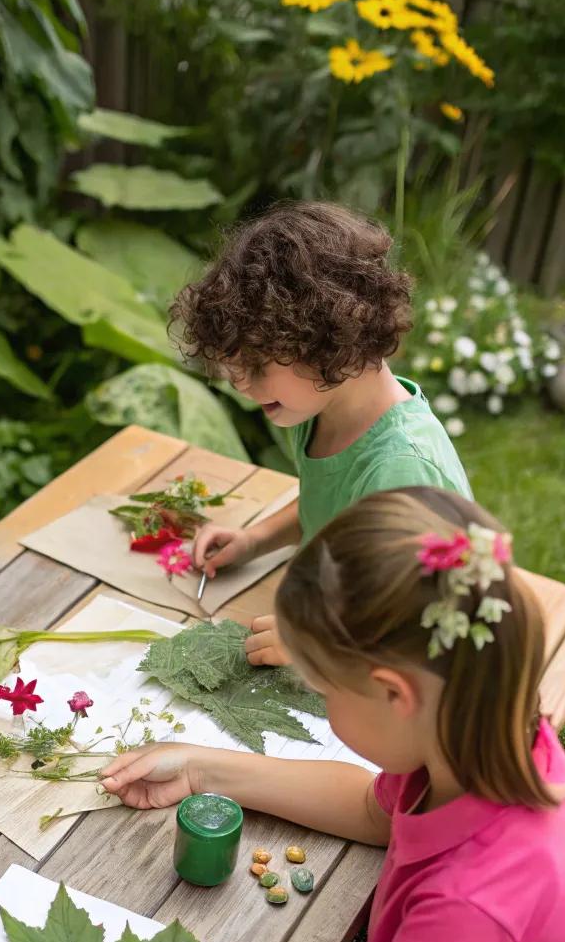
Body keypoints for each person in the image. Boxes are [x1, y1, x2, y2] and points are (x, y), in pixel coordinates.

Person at [40, 489, 565, 942]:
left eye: (323, 689)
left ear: (395, 694)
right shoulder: (478, 736)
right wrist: (207, 767)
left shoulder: (475, 900)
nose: (321, 705)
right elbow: (370, 808)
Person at [173, 200, 471, 666]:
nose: (242, 384)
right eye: (235, 369)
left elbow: (431, 614)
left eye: (256, 365)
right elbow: (329, 506)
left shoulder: (404, 468)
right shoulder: (320, 407)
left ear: (333, 341)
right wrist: (256, 540)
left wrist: (316, 642)